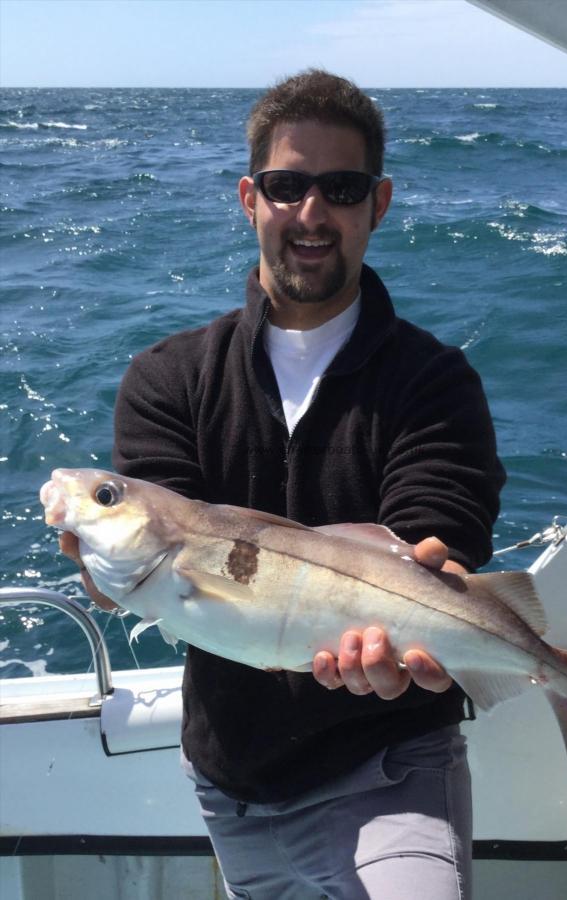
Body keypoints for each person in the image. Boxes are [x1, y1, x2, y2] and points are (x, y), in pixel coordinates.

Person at [62, 70, 505, 900]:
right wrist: (101, 565)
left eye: (339, 189)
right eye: (286, 186)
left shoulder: (435, 381)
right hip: (232, 779)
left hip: (389, 762)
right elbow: (147, 560)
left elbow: (436, 523)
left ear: (377, 204)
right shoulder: (168, 378)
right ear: (248, 199)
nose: (311, 214)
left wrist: (425, 595)